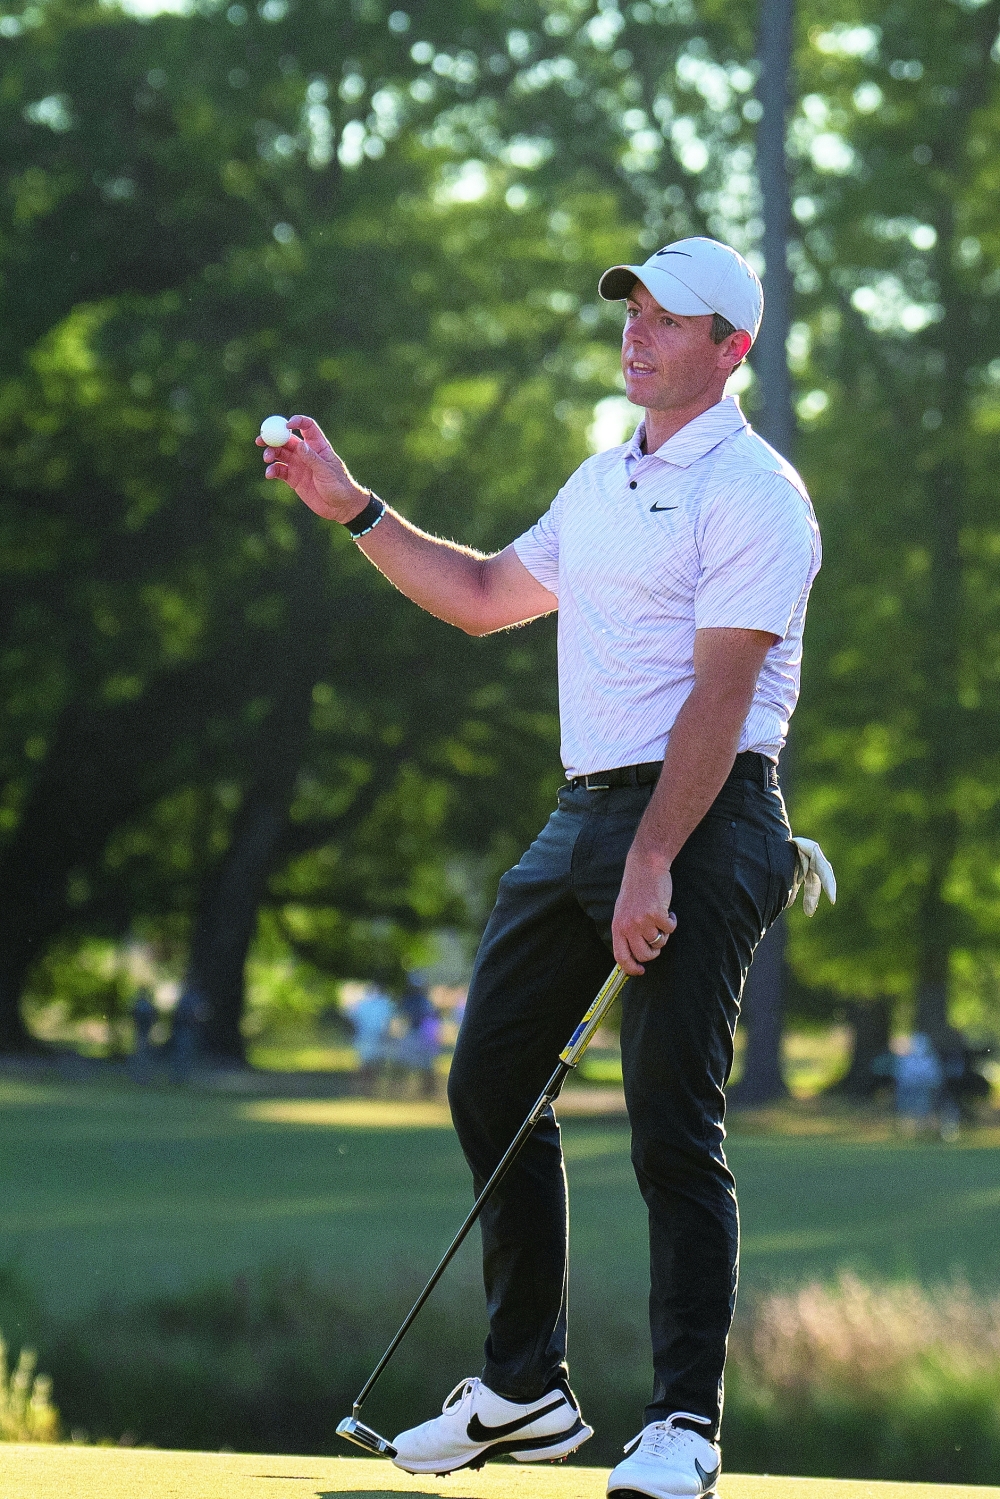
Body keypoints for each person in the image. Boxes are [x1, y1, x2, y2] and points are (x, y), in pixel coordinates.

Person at [259, 236, 821, 1499]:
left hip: (707, 812)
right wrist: (352, 504)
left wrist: (656, 861)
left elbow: (722, 701)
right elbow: (477, 593)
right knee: (489, 1076)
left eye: (667, 319)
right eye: (632, 311)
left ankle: (683, 1424)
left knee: (673, 1119)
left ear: (730, 349)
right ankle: (524, 1385)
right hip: (584, 814)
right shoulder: (600, 482)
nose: (635, 331)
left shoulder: (758, 495)